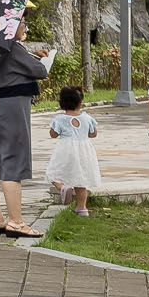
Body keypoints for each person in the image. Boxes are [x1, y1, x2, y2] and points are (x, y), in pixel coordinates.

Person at [0, 0, 53, 237]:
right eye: (21, 21)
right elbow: (40, 71)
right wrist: (40, 59)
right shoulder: (12, 49)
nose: (24, 25)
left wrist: (29, 55)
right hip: (11, 111)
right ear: (10, 26)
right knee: (13, 161)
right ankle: (16, 222)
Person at [44, 86, 101, 216]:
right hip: (84, 151)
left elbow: (53, 134)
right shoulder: (87, 118)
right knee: (81, 180)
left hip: (65, 149)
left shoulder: (60, 119)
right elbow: (93, 134)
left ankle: (62, 187)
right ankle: (82, 208)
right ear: (80, 103)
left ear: (62, 103)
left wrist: (54, 129)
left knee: (52, 173)